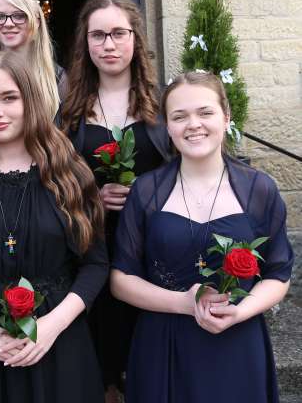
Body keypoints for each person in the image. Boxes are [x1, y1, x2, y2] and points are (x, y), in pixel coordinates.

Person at [0, 51, 108, 402]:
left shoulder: (69, 175)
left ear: (31, 100)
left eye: (9, 98)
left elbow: (95, 265)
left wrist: (51, 327)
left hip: (57, 345)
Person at [111, 71, 293, 403]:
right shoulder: (146, 192)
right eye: (180, 116)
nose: (193, 124)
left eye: (205, 112)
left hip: (237, 341)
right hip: (163, 344)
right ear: (168, 126)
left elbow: (279, 275)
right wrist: (182, 303)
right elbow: (121, 279)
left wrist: (240, 311)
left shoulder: (259, 189)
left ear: (226, 116)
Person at [59, 0, 172, 402]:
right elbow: (54, 179)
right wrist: (90, 194)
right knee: (100, 356)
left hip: (153, 250)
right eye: (98, 35)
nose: (108, 45)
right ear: (85, 43)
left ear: (135, 39)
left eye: (118, 34)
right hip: (91, 247)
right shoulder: (70, 109)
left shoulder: (161, 106)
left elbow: (185, 171)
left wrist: (147, 194)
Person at [0, 0, 64, 118]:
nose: (8, 23)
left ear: (37, 21)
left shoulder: (59, 80)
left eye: (19, 16)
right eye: (0, 16)